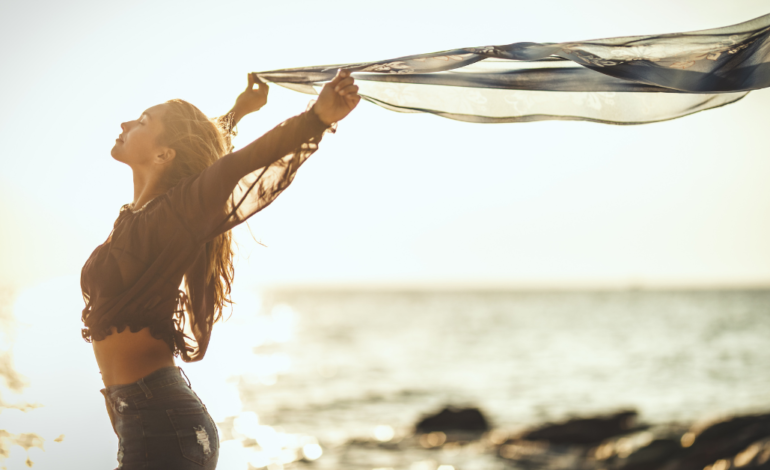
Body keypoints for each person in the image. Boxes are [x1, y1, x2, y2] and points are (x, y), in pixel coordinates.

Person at [80, 69, 361, 469]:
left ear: (163, 154)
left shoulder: (176, 213)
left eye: (143, 122)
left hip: (160, 420)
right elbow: (197, 154)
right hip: (144, 417)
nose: (126, 124)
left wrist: (316, 118)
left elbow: (231, 169)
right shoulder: (143, 214)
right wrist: (237, 113)